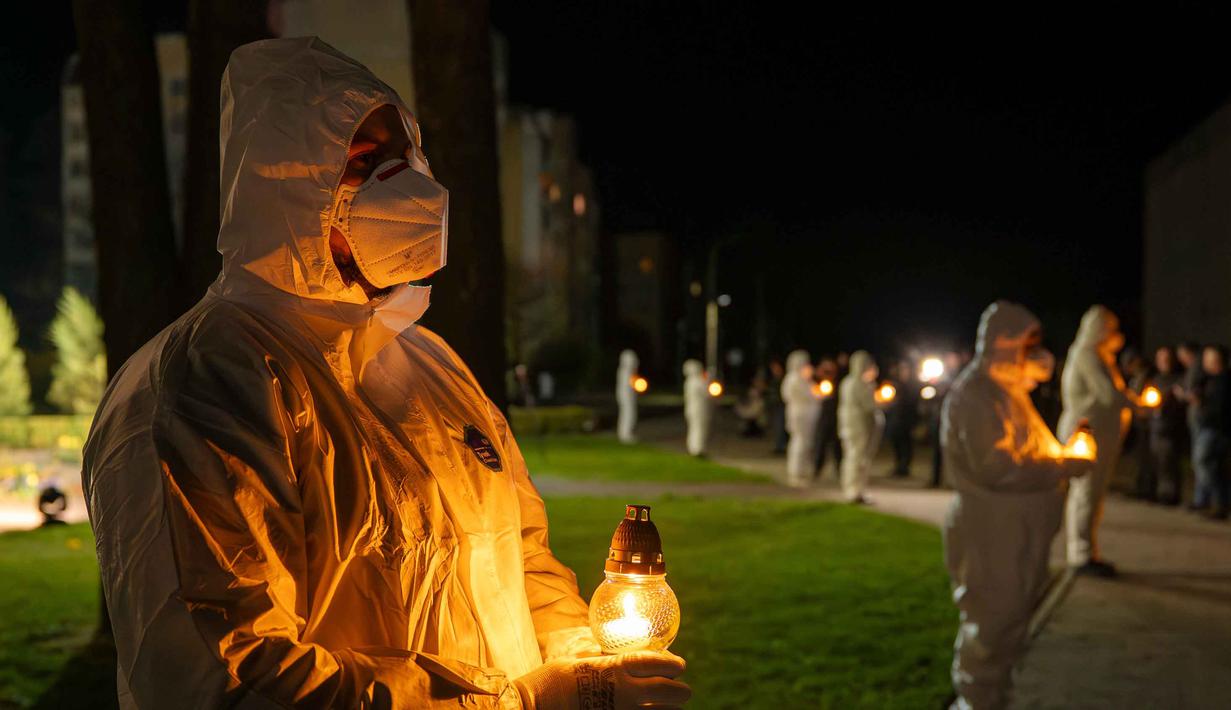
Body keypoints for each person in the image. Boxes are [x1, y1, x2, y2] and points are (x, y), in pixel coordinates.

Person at [82, 38, 688, 709]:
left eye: (404, 160)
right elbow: (231, 677)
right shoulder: (208, 382)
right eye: (364, 163)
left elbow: (525, 563)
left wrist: (584, 662)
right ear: (280, 188)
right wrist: (517, 702)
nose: (405, 189)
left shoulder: (434, 368)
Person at [942, 301, 1089, 710]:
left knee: (1010, 623)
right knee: (992, 622)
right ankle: (974, 700)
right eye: (1025, 347)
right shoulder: (976, 397)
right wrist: (1062, 466)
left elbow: (1028, 439)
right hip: (991, 532)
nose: (1033, 359)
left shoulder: (1006, 392)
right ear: (1004, 346)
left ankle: (992, 698)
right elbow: (998, 469)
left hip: (1016, 531)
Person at [1058, 305, 1135, 577]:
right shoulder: (1087, 354)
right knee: (1086, 492)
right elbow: (1109, 395)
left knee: (1092, 493)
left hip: (1099, 433)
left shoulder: (1101, 356)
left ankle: (1086, 550)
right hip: (1087, 433)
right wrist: (1139, 405)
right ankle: (1081, 554)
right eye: (1111, 328)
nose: (1116, 334)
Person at [1191, 345, 1231, 518]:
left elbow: (1220, 408)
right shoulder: (1210, 379)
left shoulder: (1224, 381)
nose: (1205, 362)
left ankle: (1220, 502)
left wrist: (1202, 405)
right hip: (1209, 427)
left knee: (1205, 462)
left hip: (1216, 429)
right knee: (1210, 465)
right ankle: (1209, 501)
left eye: (1209, 358)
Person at [838, 350, 882, 503]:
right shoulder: (859, 384)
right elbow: (870, 406)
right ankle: (854, 491)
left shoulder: (847, 382)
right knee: (857, 459)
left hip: (850, 426)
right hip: (859, 427)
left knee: (853, 457)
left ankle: (855, 489)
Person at [1146, 346, 1188, 505]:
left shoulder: (1178, 379)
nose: (1164, 362)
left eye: (1167, 359)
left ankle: (1170, 495)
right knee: (1157, 460)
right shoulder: (1156, 379)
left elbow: (1182, 401)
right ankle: (1157, 492)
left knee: (1169, 461)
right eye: (1161, 359)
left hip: (1171, 427)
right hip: (1156, 426)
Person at [781, 350, 820, 487]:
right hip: (800, 414)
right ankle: (796, 470)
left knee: (805, 442)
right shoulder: (794, 379)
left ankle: (802, 469)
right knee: (800, 442)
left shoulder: (803, 380)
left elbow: (816, 393)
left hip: (806, 414)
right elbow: (808, 395)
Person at [883, 360, 919, 477]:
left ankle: (905, 467)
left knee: (906, 444)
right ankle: (898, 465)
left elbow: (914, 403)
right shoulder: (895, 384)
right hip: (896, 419)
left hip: (907, 420)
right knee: (896, 442)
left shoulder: (913, 386)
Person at [812, 357, 843, 479]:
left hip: (836, 417)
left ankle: (839, 469)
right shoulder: (818, 381)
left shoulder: (838, 381)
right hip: (824, 417)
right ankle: (817, 468)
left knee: (837, 446)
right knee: (821, 444)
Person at [682, 359, 713, 456]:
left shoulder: (689, 382)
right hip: (699, 409)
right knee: (698, 429)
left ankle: (693, 448)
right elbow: (707, 393)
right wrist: (708, 379)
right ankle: (698, 449)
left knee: (693, 428)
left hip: (691, 409)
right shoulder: (697, 381)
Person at [616, 349, 640, 444]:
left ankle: (626, 433)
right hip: (626, 397)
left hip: (628, 397)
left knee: (628, 414)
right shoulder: (626, 373)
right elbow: (629, 386)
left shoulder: (628, 372)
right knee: (627, 414)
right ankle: (625, 434)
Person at [766, 359, 788, 454]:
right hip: (774, 406)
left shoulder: (784, 379)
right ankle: (779, 445)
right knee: (777, 426)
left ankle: (781, 446)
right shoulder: (773, 379)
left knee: (781, 426)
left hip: (781, 405)